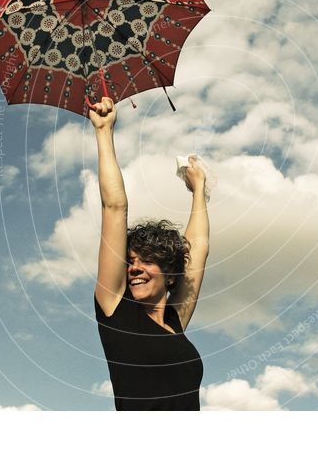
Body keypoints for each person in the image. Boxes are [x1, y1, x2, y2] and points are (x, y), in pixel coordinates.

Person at [90, 96, 210, 410]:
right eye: (130, 261)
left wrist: (198, 188)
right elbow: (115, 208)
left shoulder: (175, 321)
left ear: (171, 276)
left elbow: (197, 250)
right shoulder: (116, 310)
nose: (135, 268)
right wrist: (104, 132)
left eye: (147, 260)